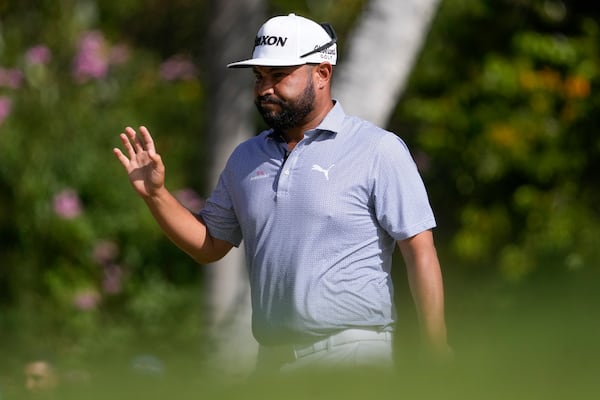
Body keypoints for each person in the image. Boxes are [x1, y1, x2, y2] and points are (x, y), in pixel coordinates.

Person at [113, 13, 450, 373]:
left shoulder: (377, 148)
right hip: (273, 361)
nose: (264, 89)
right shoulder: (245, 158)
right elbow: (210, 245)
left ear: (322, 73)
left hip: (352, 355)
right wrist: (156, 195)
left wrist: (436, 346)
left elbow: (419, 250)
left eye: (278, 75)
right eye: (259, 77)